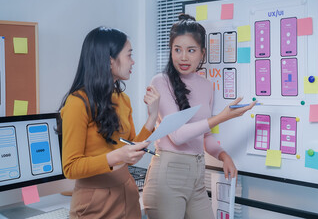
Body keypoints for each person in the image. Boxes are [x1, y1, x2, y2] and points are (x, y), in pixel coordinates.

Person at [142, 14, 256, 219]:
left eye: (191, 50)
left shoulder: (206, 85)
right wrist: (222, 117)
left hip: (197, 175)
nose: (183, 57)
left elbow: (204, 137)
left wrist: (223, 156)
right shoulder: (160, 82)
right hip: (168, 176)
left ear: (202, 53)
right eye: (177, 50)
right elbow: (177, 135)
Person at [58, 26, 160, 219]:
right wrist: (116, 156)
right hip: (95, 203)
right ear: (109, 60)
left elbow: (132, 148)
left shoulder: (123, 99)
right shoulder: (77, 103)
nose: (133, 61)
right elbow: (70, 167)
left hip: (127, 193)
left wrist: (152, 117)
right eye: (129, 55)